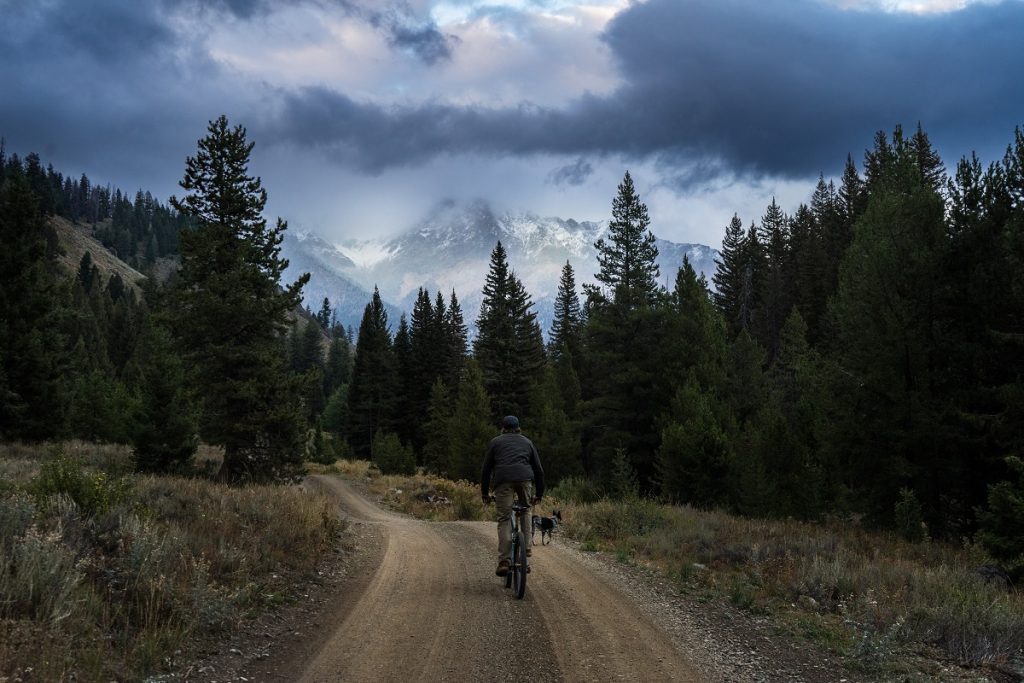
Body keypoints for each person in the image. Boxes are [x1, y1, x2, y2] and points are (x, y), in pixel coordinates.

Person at [481, 415, 544, 576]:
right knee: (526, 510)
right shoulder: (527, 442)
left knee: (504, 518)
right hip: (524, 479)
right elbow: (538, 470)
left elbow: (486, 470)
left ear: (503, 428)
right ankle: (527, 549)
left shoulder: (495, 442)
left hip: (503, 481)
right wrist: (539, 494)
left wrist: (485, 493)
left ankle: (504, 561)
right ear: (518, 428)